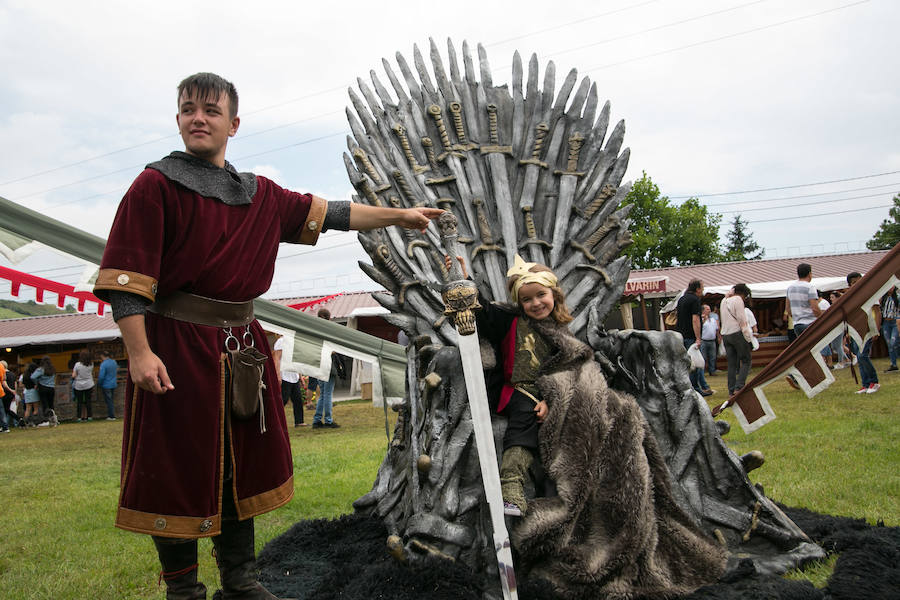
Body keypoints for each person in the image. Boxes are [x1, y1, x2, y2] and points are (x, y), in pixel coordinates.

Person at [92, 72, 442, 599]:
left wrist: (403, 216)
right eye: (188, 109)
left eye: (210, 110)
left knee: (242, 467)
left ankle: (241, 581)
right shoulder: (154, 186)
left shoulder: (259, 194)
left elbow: (335, 215)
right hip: (176, 348)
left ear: (233, 123)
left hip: (241, 350)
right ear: (179, 119)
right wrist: (140, 354)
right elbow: (126, 280)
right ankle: (183, 589)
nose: (198, 118)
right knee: (177, 468)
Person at [449, 254, 726, 595]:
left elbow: (574, 363)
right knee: (523, 427)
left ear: (554, 296)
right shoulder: (510, 321)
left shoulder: (559, 330)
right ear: (518, 301)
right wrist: (461, 277)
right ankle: (512, 482)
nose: (535, 303)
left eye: (541, 296)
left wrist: (560, 394)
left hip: (558, 395)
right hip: (521, 391)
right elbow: (478, 312)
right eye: (527, 298)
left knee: (619, 413)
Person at [784, 263, 822, 390]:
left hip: (797, 324)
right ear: (810, 273)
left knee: (805, 351)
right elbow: (815, 308)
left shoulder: (790, 288)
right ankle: (798, 376)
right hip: (809, 323)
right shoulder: (810, 287)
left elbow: (788, 310)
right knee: (812, 352)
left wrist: (796, 316)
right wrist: (821, 319)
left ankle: (805, 377)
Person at [676, 280, 713, 396]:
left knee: (685, 365)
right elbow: (695, 319)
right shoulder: (695, 300)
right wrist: (698, 337)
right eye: (702, 287)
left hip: (681, 335)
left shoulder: (682, 299)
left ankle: (691, 388)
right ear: (697, 289)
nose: (703, 290)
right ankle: (695, 389)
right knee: (695, 364)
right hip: (691, 336)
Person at [845, 272, 880, 394]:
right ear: (849, 285)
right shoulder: (850, 297)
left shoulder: (870, 293)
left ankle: (874, 382)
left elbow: (877, 311)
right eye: (854, 282)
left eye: (859, 281)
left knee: (862, 356)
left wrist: (876, 329)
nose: (857, 284)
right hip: (856, 331)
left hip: (868, 329)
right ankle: (865, 384)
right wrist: (848, 331)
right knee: (860, 358)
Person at [311, 309, 344, 429]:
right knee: (328, 394)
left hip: (319, 363)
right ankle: (328, 420)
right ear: (328, 318)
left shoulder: (315, 330)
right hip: (328, 364)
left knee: (323, 394)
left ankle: (317, 419)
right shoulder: (329, 330)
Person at [721, 284, 755, 397]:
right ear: (743, 294)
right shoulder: (738, 300)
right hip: (737, 333)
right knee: (746, 361)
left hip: (726, 334)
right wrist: (748, 337)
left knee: (732, 364)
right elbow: (742, 320)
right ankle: (739, 387)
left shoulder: (723, 300)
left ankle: (731, 390)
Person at [272, 336, 305, 427]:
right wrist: (278, 374)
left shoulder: (293, 341)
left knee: (298, 399)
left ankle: (299, 421)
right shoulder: (281, 342)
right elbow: (276, 358)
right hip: (285, 375)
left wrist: (300, 376)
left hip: (294, 375)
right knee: (283, 399)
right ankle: (275, 420)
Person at [71, 350, 95, 422]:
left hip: (79, 385)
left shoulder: (77, 365)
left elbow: (74, 375)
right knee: (88, 401)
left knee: (80, 402)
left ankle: (79, 417)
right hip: (89, 384)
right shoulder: (91, 364)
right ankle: (89, 416)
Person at [880, 286, 899, 372]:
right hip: (886, 323)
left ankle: (894, 362)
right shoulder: (883, 298)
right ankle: (893, 364)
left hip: (895, 322)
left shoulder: (897, 297)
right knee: (889, 344)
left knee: (893, 342)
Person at [97, 350, 119, 420]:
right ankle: (112, 414)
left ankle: (111, 415)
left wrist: (99, 384)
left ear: (102, 356)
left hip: (106, 385)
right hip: (113, 383)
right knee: (111, 400)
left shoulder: (103, 364)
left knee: (109, 401)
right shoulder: (114, 362)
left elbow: (101, 376)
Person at [699, 304, 720, 376]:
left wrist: (719, 337)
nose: (709, 310)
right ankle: (702, 372)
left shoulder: (713, 319)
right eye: (707, 309)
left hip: (712, 340)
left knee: (712, 357)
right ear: (703, 310)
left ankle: (712, 371)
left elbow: (717, 329)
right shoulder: (700, 319)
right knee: (703, 357)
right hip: (704, 340)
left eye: (709, 309)